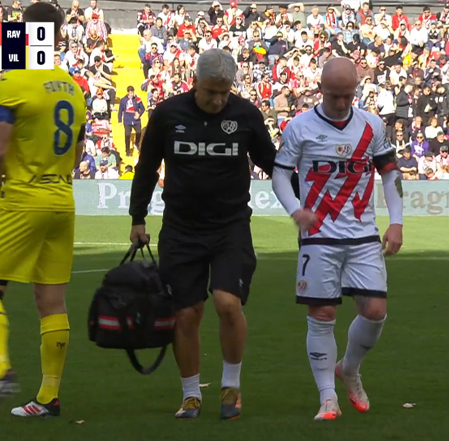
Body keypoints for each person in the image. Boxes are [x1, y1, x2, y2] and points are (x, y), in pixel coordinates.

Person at [128, 48, 297, 421]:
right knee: (186, 313)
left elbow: (272, 164)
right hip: (180, 228)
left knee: (227, 304)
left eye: (224, 92)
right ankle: (191, 395)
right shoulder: (168, 114)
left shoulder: (245, 115)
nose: (218, 100)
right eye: (210, 92)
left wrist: (305, 198)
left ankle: (231, 388)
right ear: (195, 83)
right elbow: (147, 166)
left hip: (230, 226)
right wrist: (137, 217)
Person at [271, 57, 404, 421]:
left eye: (348, 95)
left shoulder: (371, 125)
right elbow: (280, 175)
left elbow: (390, 174)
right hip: (318, 236)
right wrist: (295, 209)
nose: (342, 102)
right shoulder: (300, 127)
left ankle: (348, 368)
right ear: (321, 90)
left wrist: (396, 222)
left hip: (363, 235)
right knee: (322, 313)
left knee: (375, 312)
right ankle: (327, 397)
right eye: (335, 96)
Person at [0, 2, 87, 417]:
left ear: (23, 32)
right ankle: (49, 397)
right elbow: (78, 152)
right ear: (59, 35)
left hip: (23, 197)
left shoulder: (11, 82)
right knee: (51, 300)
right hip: (62, 200)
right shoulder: (73, 87)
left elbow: (0, 148)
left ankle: (1, 367)